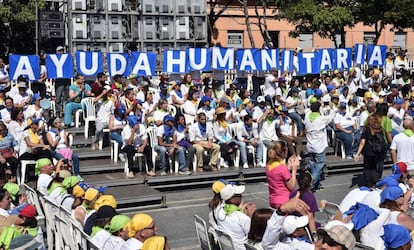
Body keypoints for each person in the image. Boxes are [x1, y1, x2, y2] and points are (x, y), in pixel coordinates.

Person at [304, 101, 335, 192]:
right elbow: (331, 117)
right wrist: (331, 108)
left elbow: (310, 111)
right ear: (319, 109)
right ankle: (311, 183)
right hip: (319, 146)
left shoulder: (307, 117)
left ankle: (316, 185)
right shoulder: (321, 119)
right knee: (319, 165)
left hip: (310, 145)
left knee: (313, 165)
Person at [216, 184, 256, 250]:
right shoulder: (242, 217)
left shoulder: (219, 211)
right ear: (232, 199)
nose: (241, 196)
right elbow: (252, 234)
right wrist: (251, 216)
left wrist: (239, 209)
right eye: (238, 195)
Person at [355, 114, 387, 186]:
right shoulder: (380, 128)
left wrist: (358, 153)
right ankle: (375, 181)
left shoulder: (366, 129)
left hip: (368, 150)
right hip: (377, 150)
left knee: (367, 167)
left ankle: (368, 183)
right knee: (373, 167)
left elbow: (362, 142)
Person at [265, 141, 299, 209]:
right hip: (284, 201)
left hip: (273, 199)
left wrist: (287, 167)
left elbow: (279, 176)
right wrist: (294, 170)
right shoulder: (282, 169)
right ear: (283, 152)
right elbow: (291, 186)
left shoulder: (269, 165)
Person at [93, 85, 114, 150]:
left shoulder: (111, 102)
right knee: (99, 129)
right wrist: (102, 94)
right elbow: (94, 101)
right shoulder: (99, 101)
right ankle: (95, 142)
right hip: (100, 120)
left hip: (108, 121)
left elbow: (112, 113)